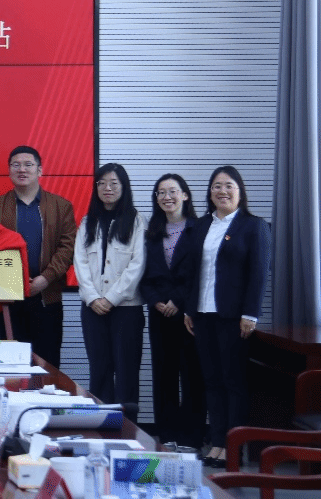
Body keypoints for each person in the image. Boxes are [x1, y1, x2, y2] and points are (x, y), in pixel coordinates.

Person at [184, 165, 271, 468]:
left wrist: (251, 313)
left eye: (228, 185)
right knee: (212, 381)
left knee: (233, 382)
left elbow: (259, 273)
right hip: (203, 314)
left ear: (240, 191)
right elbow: (194, 271)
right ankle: (218, 443)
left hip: (233, 317)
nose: (222, 191)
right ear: (210, 193)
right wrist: (189, 309)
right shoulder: (201, 225)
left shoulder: (253, 226)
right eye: (216, 186)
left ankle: (234, 448)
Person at [0, 145, 77, 367]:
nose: (22, 169)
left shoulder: (61, 206)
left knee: (48, 364)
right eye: (16, 165)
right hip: (9, 298)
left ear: (40, 170)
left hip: (47, 296)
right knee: (11, 365)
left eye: (28, 164)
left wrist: (46, 278)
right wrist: (12, 279)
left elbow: (68, 247)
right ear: (9, 170)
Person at [73, 162, 146, 422]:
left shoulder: (137, 221)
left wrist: (111, 298)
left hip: (126, 310)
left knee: (127, 373)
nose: (108, 188)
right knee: (99, 371)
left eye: (114, 183)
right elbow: (80, 262)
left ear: (124, 187)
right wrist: (93, 298)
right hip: (93, 310)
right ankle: (102, 426)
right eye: (102, 183)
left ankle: (128, 430)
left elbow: (137, 265)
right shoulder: (87, 222)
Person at [140, 174, 205, 451]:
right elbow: (143, 273)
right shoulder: (151, 232)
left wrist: (177, 300)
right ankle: (167, 436)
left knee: (192, 375)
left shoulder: (200, 229)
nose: (167, 197)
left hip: (189, 313)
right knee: (163, 375)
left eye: (172, 191)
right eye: (161, 192)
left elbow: (201, 272)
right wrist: (156, 301)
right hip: (159, 314)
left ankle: (191, 438)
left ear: (185, 195)